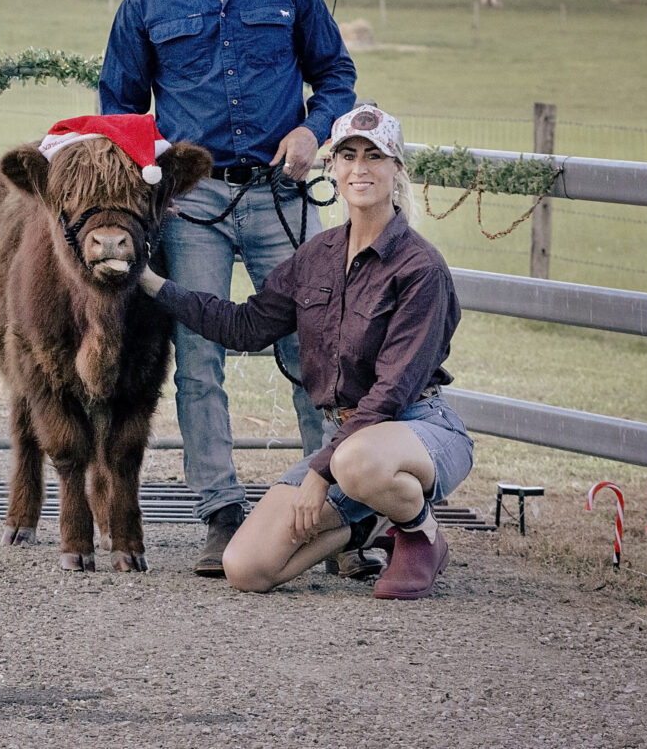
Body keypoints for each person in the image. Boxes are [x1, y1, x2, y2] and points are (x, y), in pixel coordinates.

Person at [99, 0, 358, 576]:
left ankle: (332, 509)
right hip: (195, 204)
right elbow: (120, 109)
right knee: (201, 359)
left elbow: (335, 72)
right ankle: (221, 512)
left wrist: (314, 127)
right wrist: (155, 174)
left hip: (280, 195)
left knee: (310, 348)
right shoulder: (147, 2)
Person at [134, 104, 472, 599]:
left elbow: (393, 392)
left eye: (375, 156)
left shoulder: (420, 268)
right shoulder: (317, 255)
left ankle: (422, 534)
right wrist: (152, 283)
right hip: (348, 442)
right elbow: (246, 327)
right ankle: (366, 522)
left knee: (357, 463)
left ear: (397, 170)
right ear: (331, 168)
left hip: (414, 431)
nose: (360, 169)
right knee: (246, 568)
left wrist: (319, 472)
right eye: (348, 156)